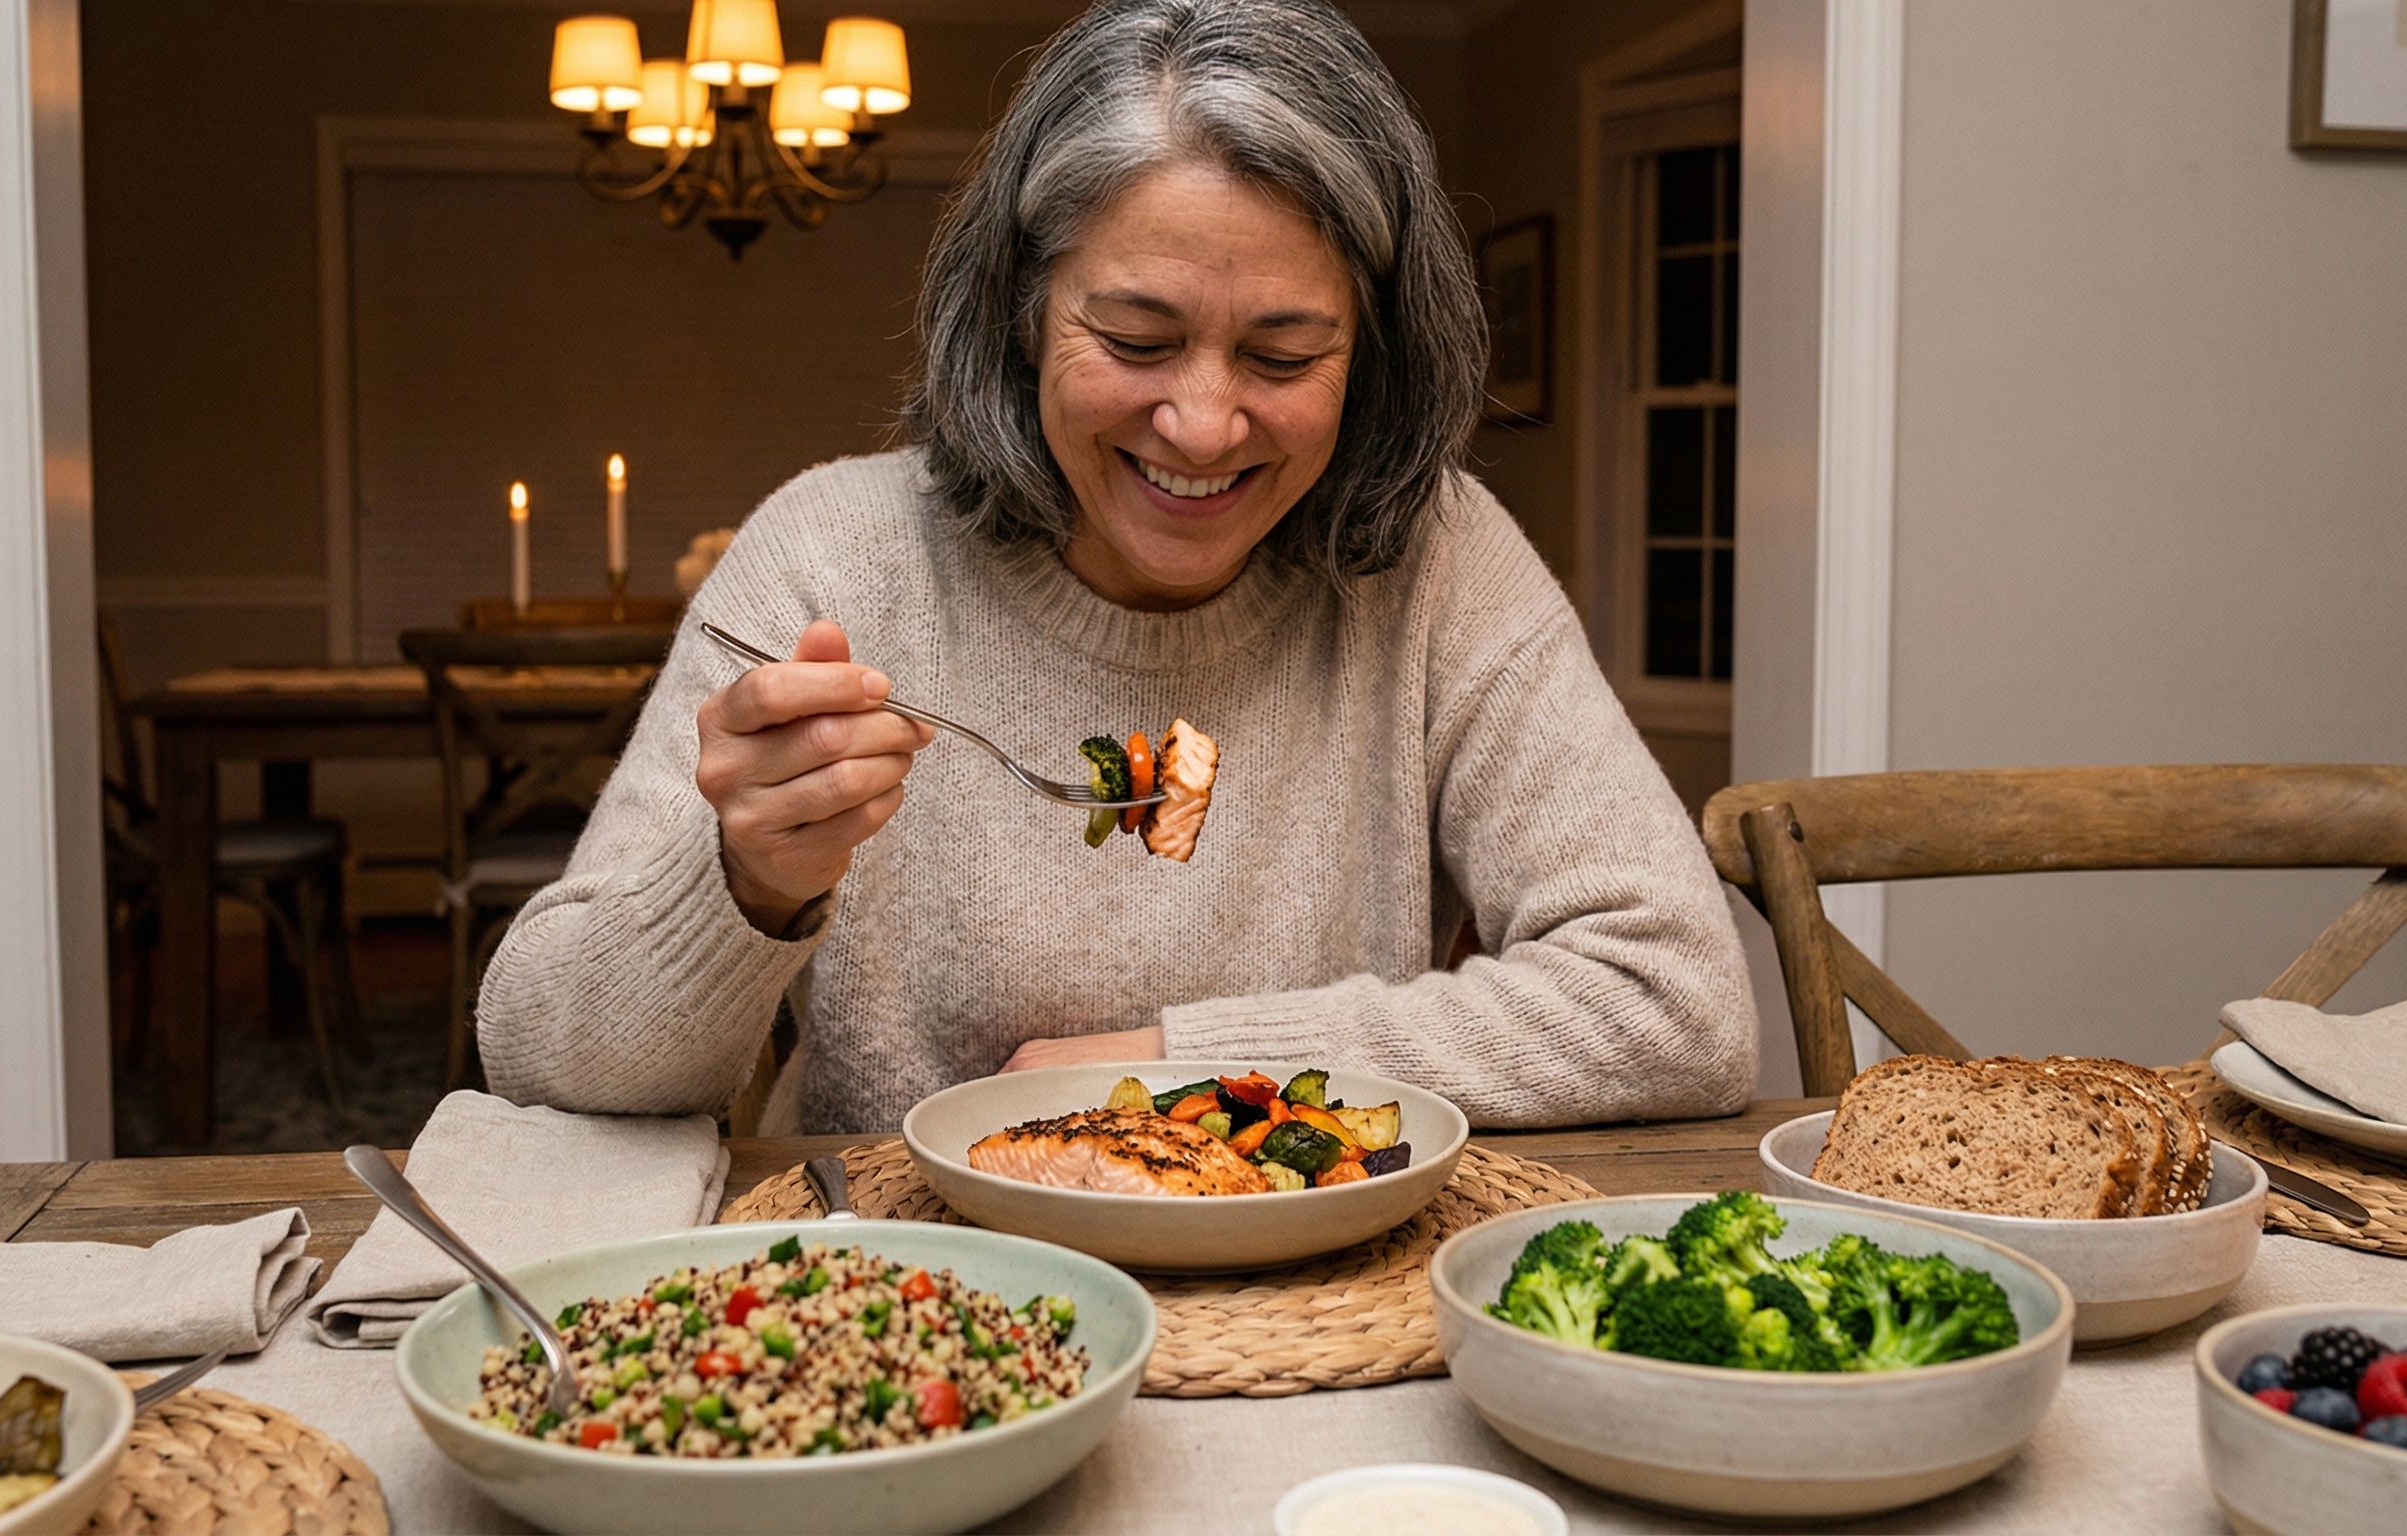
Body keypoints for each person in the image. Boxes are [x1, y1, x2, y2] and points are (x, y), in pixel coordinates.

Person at [478, 0, 1755, 1134]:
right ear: (1024, 312)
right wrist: (746, 885)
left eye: (1282, 354)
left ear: (1373, 353)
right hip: (912, 1298)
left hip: (1309, 1296)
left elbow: (1677, 1002)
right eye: (1136, 338)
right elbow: (540, 1052)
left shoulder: (1437, 557)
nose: (1202, 425)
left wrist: (1185, 1071)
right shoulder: (833, 553)